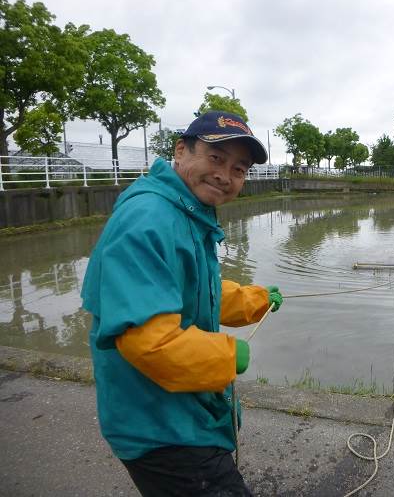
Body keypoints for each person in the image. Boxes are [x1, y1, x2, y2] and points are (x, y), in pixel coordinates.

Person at [81, 111, 283, 496]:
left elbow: (192, 288)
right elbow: (148, 341)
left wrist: (255, 300)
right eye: (216, 158)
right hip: (159, 426)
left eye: (239, 169)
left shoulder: (183, 211)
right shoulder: (148, 218)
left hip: (182, 410)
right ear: (181, 149)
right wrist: (225, 356)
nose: (226, 175)